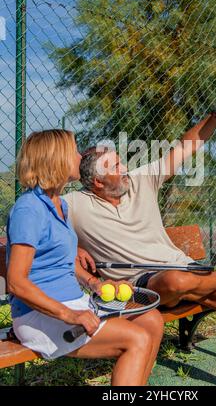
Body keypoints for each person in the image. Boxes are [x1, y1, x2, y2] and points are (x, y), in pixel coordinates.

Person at [64, 88, 216, 386]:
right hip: (139, 287)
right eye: (116, 166)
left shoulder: (140, 182)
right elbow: (36, 232)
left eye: (122, 162)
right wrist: (76, 250)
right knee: (176, 281)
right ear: (96, 181)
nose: (125, 170)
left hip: (184, 269)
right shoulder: (74, 205)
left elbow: (185, 149)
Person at [6, 129, 164, 386]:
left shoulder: (60, 205)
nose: (80, 157)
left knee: (152, 321)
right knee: (137, 338)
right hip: (39, 316)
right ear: (56, 159)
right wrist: (70, 315)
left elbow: (64, 261)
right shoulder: (29, 209)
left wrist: (94, 284)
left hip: (74, 303)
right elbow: (16, 283)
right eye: (74, 151)